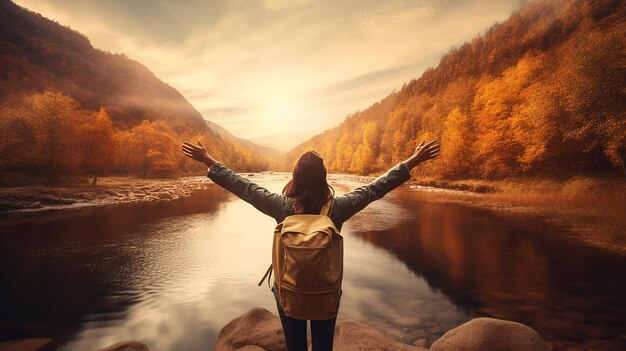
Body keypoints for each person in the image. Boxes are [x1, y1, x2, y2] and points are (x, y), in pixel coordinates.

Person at [182, 139, 439, 351]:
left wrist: (208, 160)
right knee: (323, 347)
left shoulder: (282, 206)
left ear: (295, 177)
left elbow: (244, 187)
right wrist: (412, 161)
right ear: (324, 177)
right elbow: (374, 189)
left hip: (288, 293)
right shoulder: (336, 209)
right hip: (325, 293)